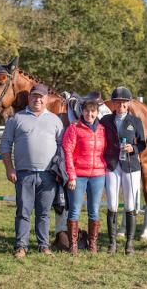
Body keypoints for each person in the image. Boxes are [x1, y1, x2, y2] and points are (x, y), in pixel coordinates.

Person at [0, 84, 63, 258]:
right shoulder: (16, 119)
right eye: (34, 96)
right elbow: (5, 146)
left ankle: (43, 246)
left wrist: (59, 171)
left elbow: (62, 147)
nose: (38, 99)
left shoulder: (55, 120)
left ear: (47, 99)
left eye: (41, 96)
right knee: (23, 211)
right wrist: (9, 168)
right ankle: (21, 246)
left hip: (48, 175)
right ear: (29, 98)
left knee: (44, 213)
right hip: (23, 173)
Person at [100, 86, 146, 255]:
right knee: (112, 204)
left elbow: (143, 143)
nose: (120, 105)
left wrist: (132, 147)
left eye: (123, 102)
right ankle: (112, 243)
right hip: (112, 164)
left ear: (128, 103)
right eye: (117, 102)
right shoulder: (105, 120)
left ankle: (129, 243)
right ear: (113, 103)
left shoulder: (136, 121)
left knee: (130, 204)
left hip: (130, 166)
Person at [62, 100, 106, 255]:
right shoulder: (74, 128)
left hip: (98, 175)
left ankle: (92, 244)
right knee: (74, 210)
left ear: (97, 113)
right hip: (78, 175)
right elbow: (67, 152)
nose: (90, 114)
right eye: (87, 111)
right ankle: (73, 244)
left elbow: (105, 150)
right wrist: (71, 176)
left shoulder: (102, 129)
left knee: (94, 210)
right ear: (82, 112)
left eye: (93, 111)